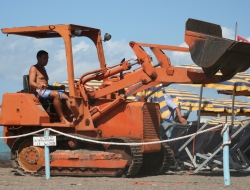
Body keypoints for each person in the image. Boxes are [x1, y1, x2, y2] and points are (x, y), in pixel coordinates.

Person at [29, 50, 73, 124]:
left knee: (67, 95)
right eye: (44, 58)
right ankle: (62, 119)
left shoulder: (43, 69)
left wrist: (58, 88)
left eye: (47, 58)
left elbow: (47, 85)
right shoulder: (34, 68)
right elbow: (31, 83)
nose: (47, 60)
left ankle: (73, 116)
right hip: (38, 92)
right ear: (38, 58)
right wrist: (39, 86)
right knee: (56, 94)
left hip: (46, 91)